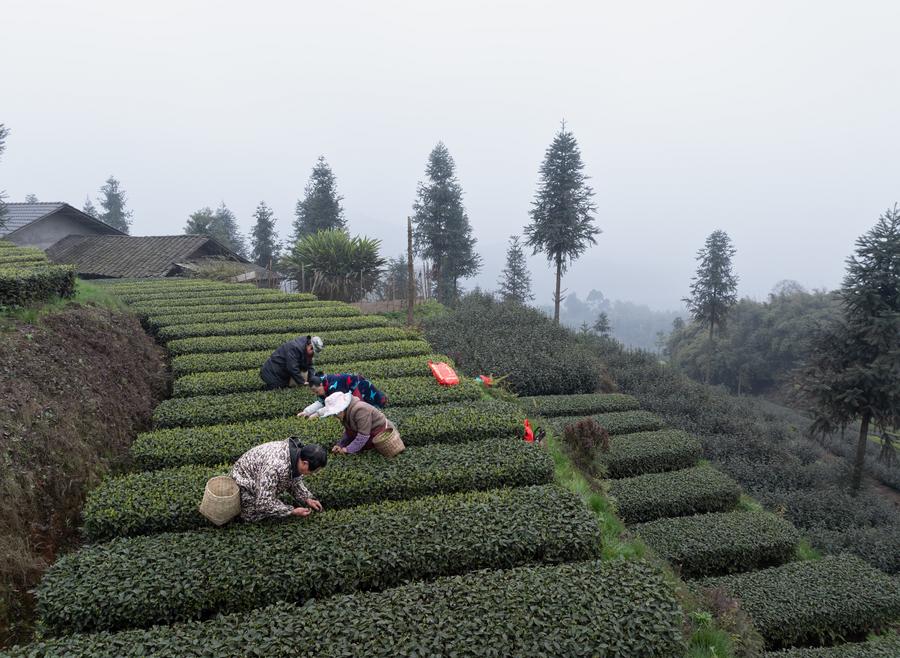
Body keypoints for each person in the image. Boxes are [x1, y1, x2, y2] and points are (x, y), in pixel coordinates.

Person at [230, 437, 327, 522]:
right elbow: (264, 502)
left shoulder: (296, 456)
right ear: (305, 463)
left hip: (257, 478)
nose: (312, 474)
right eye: (313, 471)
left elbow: (294, 481)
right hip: (242, 484)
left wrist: (307, 498)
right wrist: (291, 511)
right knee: (254, 514)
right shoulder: (275, 467)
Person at [318, 391, 397, 455]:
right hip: (369, 437)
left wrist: (347, 449)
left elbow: (363, 436)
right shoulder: (344, 414)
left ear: (342, 408)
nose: (335, 416)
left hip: (382, 435)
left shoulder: (360, 410)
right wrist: (340, 445)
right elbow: (349, 433)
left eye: (335, 413)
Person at [297, 373, 388, 418]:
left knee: (364, 407)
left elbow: (332, 404)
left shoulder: (332, 387)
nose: (316, 394)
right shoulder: (322, 384)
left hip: (358, 386)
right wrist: (306, 412)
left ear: (320, 385)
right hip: (351, 388)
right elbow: (321, 402)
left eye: (316, 391)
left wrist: (316, 415)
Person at [259, 335, 324, 390]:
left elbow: (310, 366)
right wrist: (302, 382)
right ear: (310, 346)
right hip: (271, 372)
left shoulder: (306, 350)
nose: (313, 354)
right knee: (277, 388)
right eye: (313, 352)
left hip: (281, 372)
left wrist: (311, 380)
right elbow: (292, 367)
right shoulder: (295, 348)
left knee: (284, 387)